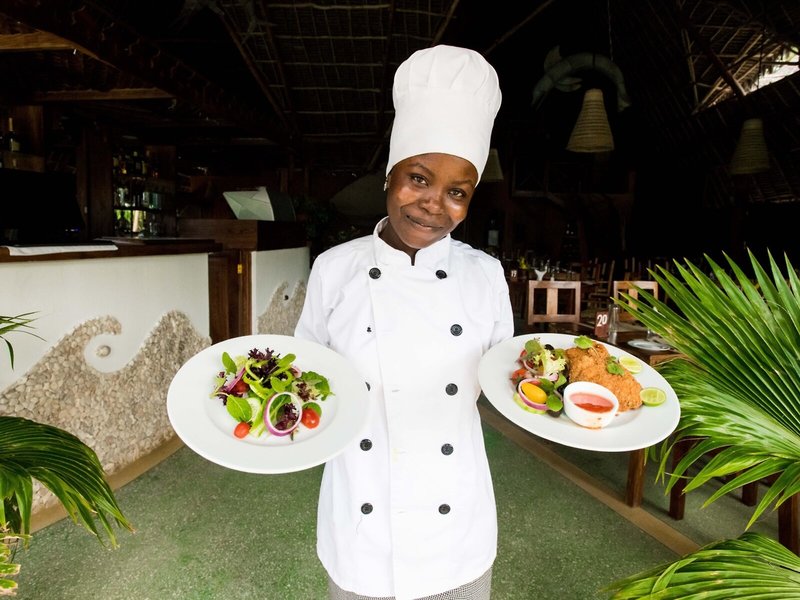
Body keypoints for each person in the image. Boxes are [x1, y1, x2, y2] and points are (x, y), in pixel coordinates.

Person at [294, 44, 514, 600]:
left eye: (457, 192)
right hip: (361, 515)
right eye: (419, 178)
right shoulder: (334, 270)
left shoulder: (486, 276)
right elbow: (306, 378)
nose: (434, 204)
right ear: (390, 175)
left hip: (454, 521)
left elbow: (510, 380)